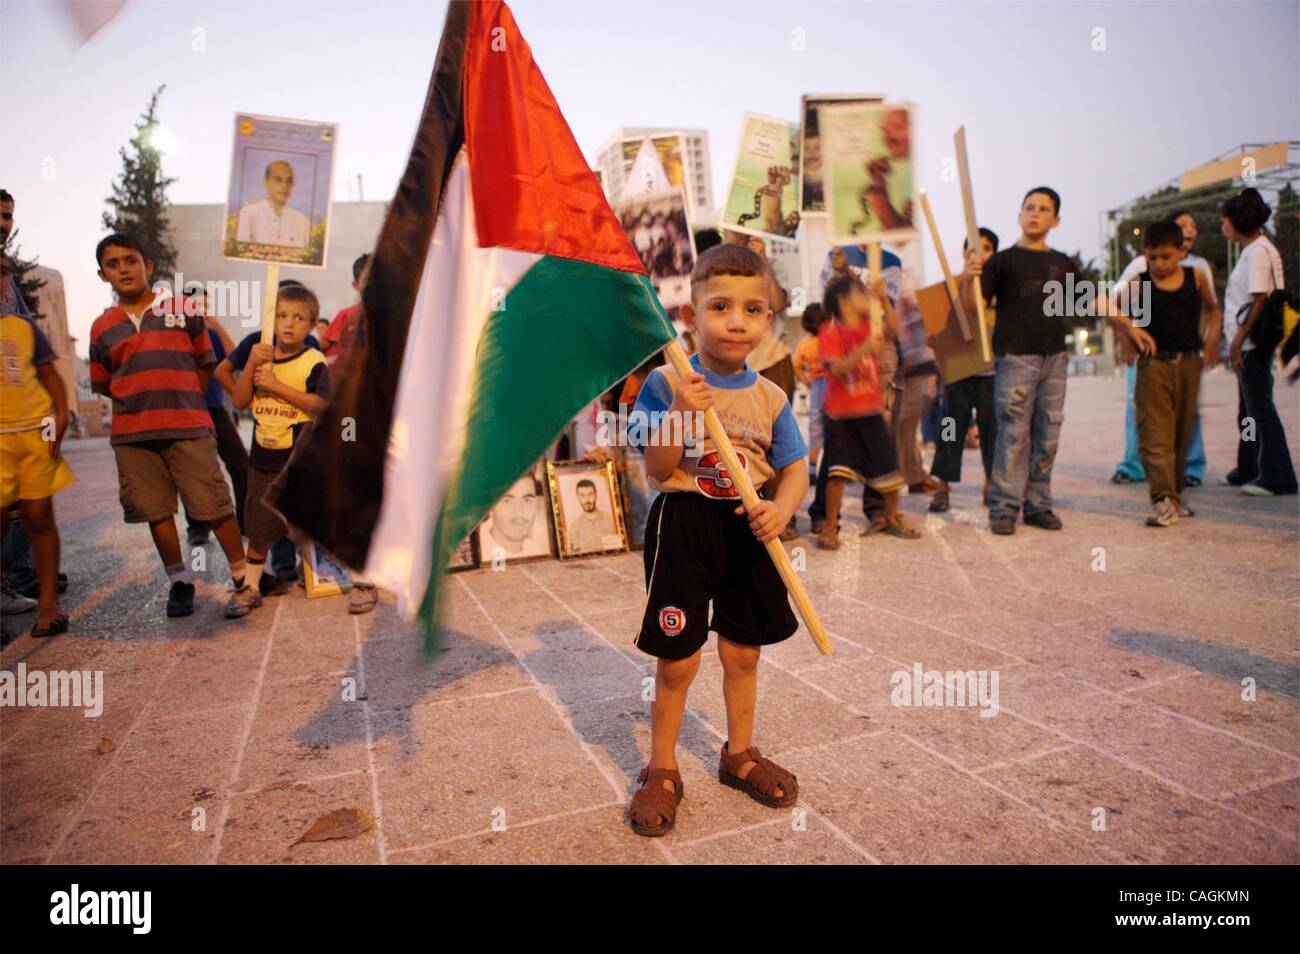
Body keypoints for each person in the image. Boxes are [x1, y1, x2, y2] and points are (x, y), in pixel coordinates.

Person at [627, 243, 808, 837]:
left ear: (769, 317)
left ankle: (740, 754)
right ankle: (662, 767)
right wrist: (680, 408)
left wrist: (781, 511)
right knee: (679, 659)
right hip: (685, 525)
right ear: (692, 314)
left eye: (754, 309)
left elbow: (795, 468)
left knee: (743, 651)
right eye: (721, 306)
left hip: (748, 527)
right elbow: (657, 468)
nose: (737, 320)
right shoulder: (666, 380)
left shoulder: (773, 396)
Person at [88, 233, 248, 617]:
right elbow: (105, 381)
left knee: (214, 502)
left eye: (130, 259)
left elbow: (205, 362)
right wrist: (144, 402)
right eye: (113, 264)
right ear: (102, 274)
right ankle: (179, 581)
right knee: (157, 510)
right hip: (133, 436)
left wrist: (183, 401)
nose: (124, 268)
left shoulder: (181, 310)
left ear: (148, 266)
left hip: (189, 428)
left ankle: (244, 578)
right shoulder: (102, 327)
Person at [963, 187, 1073, 535]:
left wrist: (1129, 323)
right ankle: (1004, 507)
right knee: (1013, 434)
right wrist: (970, 276)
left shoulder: (1063, 263)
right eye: (1029, 207)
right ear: (1019, 214)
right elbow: (974, 308)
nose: (1035, 213)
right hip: (1015, 359)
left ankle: (1039, 505)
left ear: (1055, 220)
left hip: (1055, 358)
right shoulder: (1003, 261)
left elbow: (1088, 301)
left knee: (1048, 433)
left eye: (1043, 209)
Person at [224, 284, 330, 617]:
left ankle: (354, 578)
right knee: (260, 528)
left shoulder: (313, 360)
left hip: (299, 460)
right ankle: (250, 588)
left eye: (298, 318)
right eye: (282, 315)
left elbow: (321, 404)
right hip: (263, 460)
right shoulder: (261, 354)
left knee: (315, 522)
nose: (288, 324)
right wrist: (254, 366)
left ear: (311, 325)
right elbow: (240, 401)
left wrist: (276, 386)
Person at [1106, 220, 1216, 526]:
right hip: (1153, 365)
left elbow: (1213, 309)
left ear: (1181, 252)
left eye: (1166, 256)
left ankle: (1174, 498)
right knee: (1156, 435)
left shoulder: (1196, 278)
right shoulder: (1140, 281)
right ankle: (1161, 500)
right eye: (1152, 257)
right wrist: (1127, 336)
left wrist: (1212, 339)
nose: (1159, 264)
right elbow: (1110, 305)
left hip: (1189, 364)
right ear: (1145, 254)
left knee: (1182, 434)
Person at [815, 273, 916, 548]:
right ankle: (829, 525)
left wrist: (883, 298)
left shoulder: (869, 325)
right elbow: (837, 369)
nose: (866, 297)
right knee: (837, 473)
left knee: (888, 468)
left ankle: (892, 516)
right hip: (840, 416)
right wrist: (863, 349)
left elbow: (894, 331)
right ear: (845, 301)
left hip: (869, 412)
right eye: (862, 293)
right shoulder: (831, 333)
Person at [0, 255, 73, 637]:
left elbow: (51, 378)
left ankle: (49, 605)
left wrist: (58, 421)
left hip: (34, 432)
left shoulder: (23, 328)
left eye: (1, 273)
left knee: (38, 519)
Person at [1221, 188, 1295, 496]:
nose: (1222, 227)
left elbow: (1260, 301)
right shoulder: (1254, 250)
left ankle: (1278, 476)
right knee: (1248, 412)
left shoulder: (1258, 253)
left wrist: (1237, 342)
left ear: (1237, 221)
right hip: (1248, 344)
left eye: (1224, 221)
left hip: (1253, 344)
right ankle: (1249, 467)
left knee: (1260, 409)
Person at [930, 228, 1000, 513]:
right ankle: (942, 486)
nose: (979, 254)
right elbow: (937, 332)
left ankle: (991, 483)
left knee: (991, 431)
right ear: (963, 253)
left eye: (986, 248)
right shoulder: (948, 289)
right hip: (957, 374)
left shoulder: (1001, 288)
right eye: (973, 248)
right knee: (949, 430)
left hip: (992, 374)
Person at [181, 283, 249, 544]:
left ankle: (245, 522)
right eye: (197, 305)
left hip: (214, 409)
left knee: (240, 463)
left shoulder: (213, 335)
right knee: (193, 470)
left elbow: (235, 356)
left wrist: (215, 324)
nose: (202, 310)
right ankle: (197, 526)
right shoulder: (177, 335)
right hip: (187, 410)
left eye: (206, 305)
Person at [235, 161, 310, 247]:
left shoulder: (302, 221)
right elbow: (241, 252)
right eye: (278, 180)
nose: (284, 186)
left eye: (289, 181)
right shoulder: (248, 214)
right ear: (265, 183)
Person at [792, 303, 828, 479]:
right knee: (836, 426)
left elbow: (796, 365)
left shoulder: (805, 344)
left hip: (816, 385)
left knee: (815, 425)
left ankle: (813, 467)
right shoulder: (831, 339)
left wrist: (806, 380)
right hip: (835, 384)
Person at [321, 253, 370, 372]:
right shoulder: (347, 315)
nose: (373, 285)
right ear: (356, 286)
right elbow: (322, 345)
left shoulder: (394, 318)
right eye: (366, 280)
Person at [481, 473, 549, 556]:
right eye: (507, 501)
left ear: (536, 504)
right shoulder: (478, 554)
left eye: (527, 500)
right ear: (490, 508)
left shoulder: (539, 552)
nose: (519, 512)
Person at [567, 478, 610, 553]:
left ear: (596, 495)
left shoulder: (611, 519)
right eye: (582, 495)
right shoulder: (574, 526)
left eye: (590, 494)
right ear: (578, 498)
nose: (587, 500)